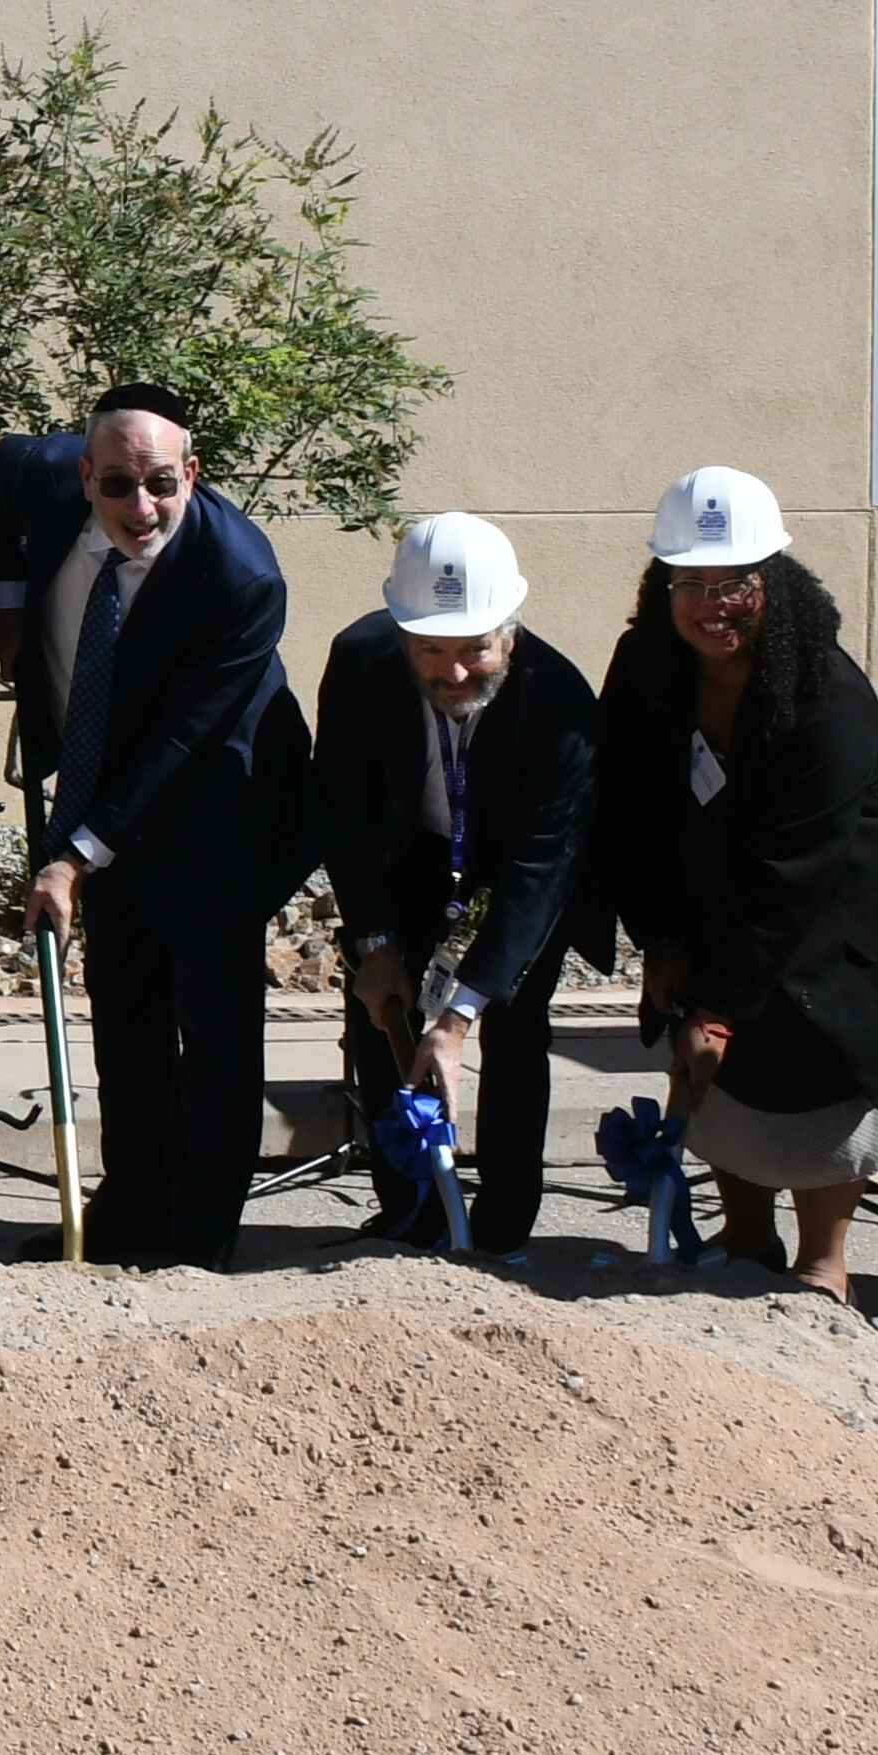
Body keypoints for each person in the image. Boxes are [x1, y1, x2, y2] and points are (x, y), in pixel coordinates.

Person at [593, 467, 878, 1304]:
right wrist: (664, 942)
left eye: (736, 583)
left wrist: (716, 1007)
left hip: (853, 906)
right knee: (723, 1077)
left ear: (774, 581)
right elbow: (626, 809)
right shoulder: (646, 665)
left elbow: (793, 877)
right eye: (692, 583)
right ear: (662, 585)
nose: (714, 604)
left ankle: (825, 1262)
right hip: (716, 893)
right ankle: (746, 1235)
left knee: (814, 1059)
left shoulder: (825, 695)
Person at [19, 387, 303, 1270]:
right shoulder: (32, 482)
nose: (140, 508)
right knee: (125, 1020)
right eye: (116, 486)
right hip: (114, 796)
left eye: (161, 484)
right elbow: (4, 503)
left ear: (194, 472)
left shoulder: (241, 578)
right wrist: (4, 610)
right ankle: (128, 1218)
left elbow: (182, 739)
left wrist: (74, 855)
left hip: (221, 805)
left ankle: (203, 1241)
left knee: (212, 1038)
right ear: (83, 477)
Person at [315, 511, 602, 1261]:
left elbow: (543, 866)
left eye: (474, 648)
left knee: (511, 1029)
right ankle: (408, 1208)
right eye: (430, 650)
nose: (453, 672)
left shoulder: (562, 706)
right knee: (387, 1017)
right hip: (410, 855)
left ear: (510, 630)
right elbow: (341, 811)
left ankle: (502, 1226)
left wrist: (462, 1012)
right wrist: (372, 941)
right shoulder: (360, 660)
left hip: (510, 870)